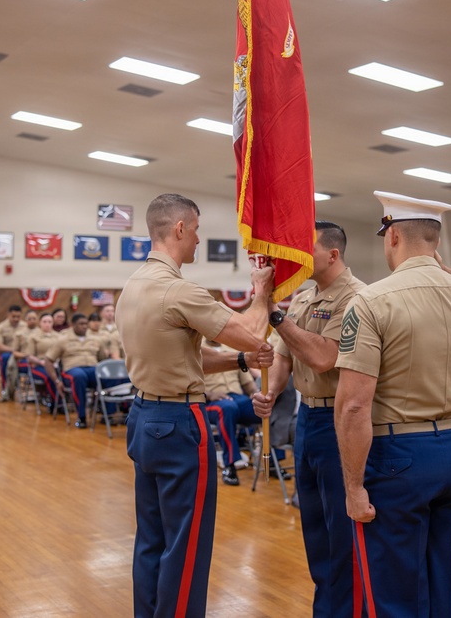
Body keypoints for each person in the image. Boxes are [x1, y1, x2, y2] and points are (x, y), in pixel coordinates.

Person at [334, 191, 451, 617]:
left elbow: (354, 406)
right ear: (437, 242)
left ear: (391, 237)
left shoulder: (371, 301)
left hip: (399, 459)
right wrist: (437, 265)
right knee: (444, 579)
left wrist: (354, 488)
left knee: (394, 590)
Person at [116, 193, 275, 618]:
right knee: (186, 545)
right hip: (180, 423)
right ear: (180, 229)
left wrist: (239, 361)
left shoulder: (132, 286)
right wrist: (262, 292)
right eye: (198, 230)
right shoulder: (178, 290)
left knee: (152, 540)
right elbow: (254, 332)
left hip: (145, 417)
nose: (199, 240)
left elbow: (184, 356)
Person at [250, 219, 366, 617]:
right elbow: (284, 354)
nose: (298, 256)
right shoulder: (303, 297)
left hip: (341, 422)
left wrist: (275, 315)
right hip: (309, 421)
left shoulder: (357, 298)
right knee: (315, 528)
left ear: (333, 254)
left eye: (307, 248)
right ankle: (326, 608)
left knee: (342, 533)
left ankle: (348, 610)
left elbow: (322, 356)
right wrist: (271, 392)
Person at [203, 338, 260, 486]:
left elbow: (247, 382)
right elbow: (189, 380)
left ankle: (273, 462)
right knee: (227, 408)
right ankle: (230, 465)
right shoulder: (197, 347)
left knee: (263, 408)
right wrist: (209, 394)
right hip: (211, 400)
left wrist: (256, 394)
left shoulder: (231, 348)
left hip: (236, 397)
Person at [44, 313, 115, 428]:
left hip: (92, 368)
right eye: (81, 324)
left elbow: (102, 359)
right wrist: (57, 381)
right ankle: (81, 416)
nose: (84, 326)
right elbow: (48, 360)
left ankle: (108, 415)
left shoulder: (96, 339)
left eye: (86, 324)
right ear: (73, 325)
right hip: (72, 370)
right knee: (79, 376)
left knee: (108, 376)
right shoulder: (63, 340)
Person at [0, 305, 24, 401]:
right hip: (7, 353)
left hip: (22, 354)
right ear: (8, 315)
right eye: (13, 316)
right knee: (6, 358)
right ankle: (6, 388)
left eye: (18, 316)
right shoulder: (0, 328)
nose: (16, 319)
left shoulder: (24, 326)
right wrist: (12, 350)